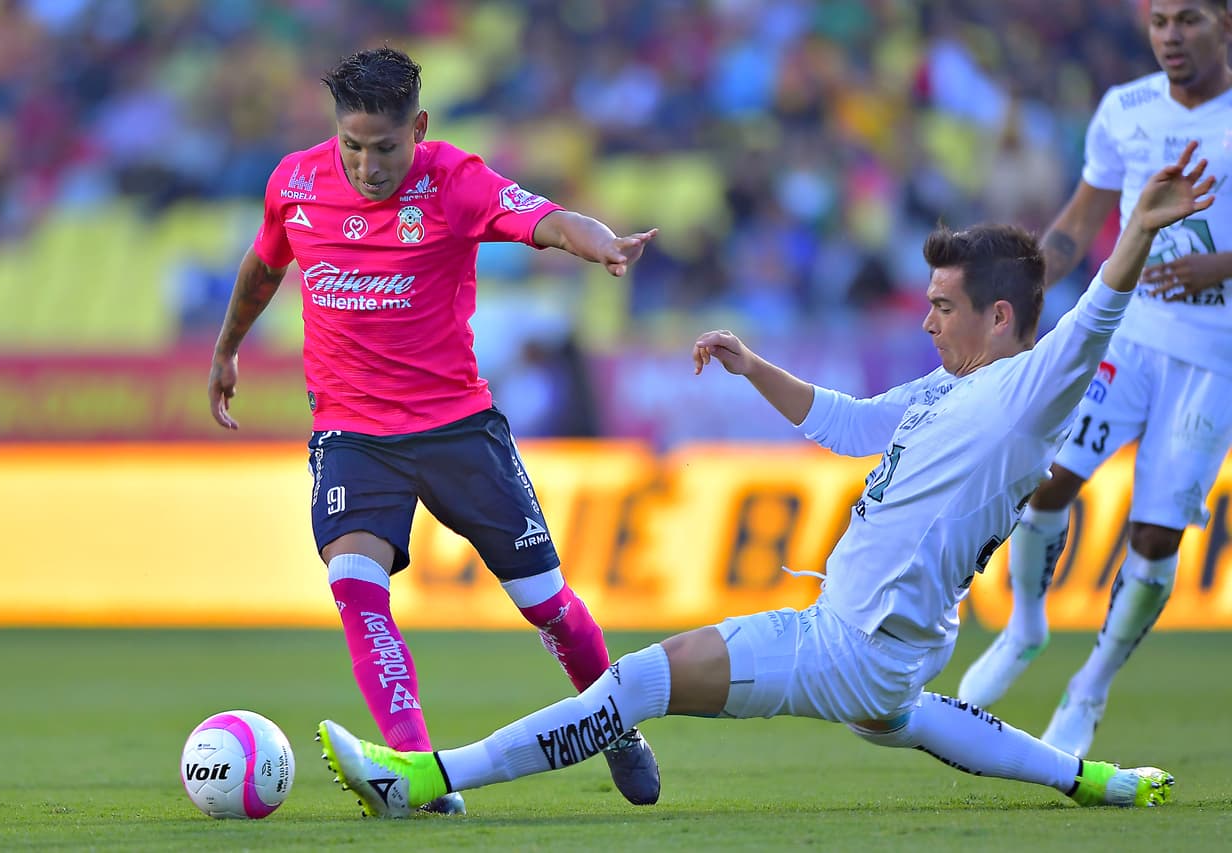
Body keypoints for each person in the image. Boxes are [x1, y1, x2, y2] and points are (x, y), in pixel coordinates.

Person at [312, 146, 1214, 818]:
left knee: (639, 681)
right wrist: (753, 366)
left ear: (1002, 315)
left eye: (943, 306)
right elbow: (850, 422)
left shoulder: (1029, 390)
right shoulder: (954, 386)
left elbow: (1096, 315)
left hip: (848, 641)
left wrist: (1137, 226)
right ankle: (1091, 776)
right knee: (907, 717)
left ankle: (425, 775)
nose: (929, 320)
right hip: (897, 647)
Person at [206, 47, 662, 814]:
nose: (366, 164)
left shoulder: (455, 180)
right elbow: (263, 267)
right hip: (353, 433)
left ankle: (614, 724)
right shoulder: (294, 181)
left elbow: (547, 220)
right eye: (352, 145)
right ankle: (414, 771)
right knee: (354, 584)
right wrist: (227, 348)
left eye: (384, 146)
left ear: (417, 128)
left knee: (547, 604)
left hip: (459, 429)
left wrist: (602, 244)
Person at [958, 0, 1232, 757]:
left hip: (1214, 356)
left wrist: (1221, 264)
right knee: (1046, 479)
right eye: (1160, 23)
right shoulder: (1126, 110)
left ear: (1227, 25)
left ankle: (1092, 686)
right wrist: (1018, 299)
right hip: (1128, 333)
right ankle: (1024, 625)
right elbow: (1079, 223)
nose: (1172, 37)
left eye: (1190, 21)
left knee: (1154, 531)